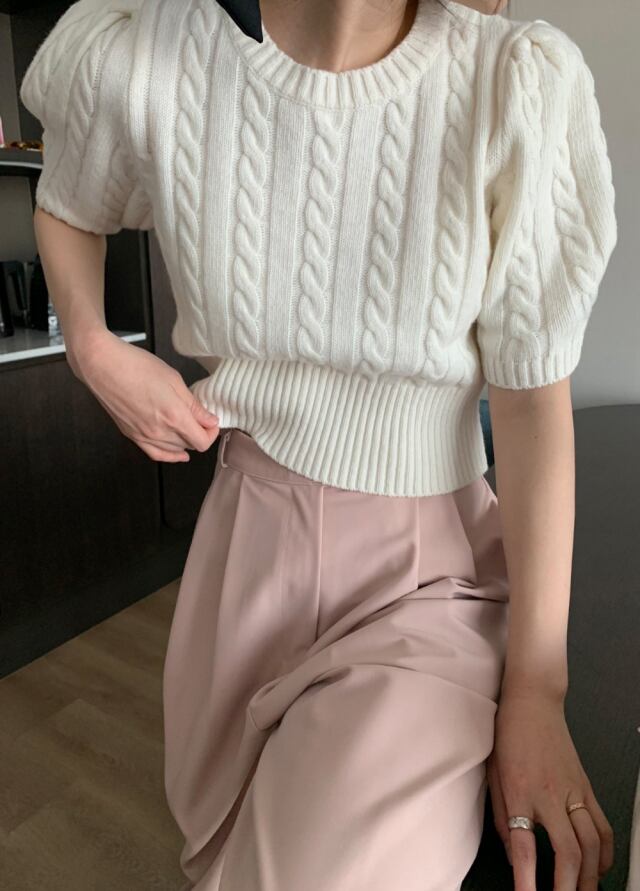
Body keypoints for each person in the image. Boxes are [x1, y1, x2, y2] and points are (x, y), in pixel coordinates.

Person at [19, 0, 618, 888]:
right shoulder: (151, 49)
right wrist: (92, 344)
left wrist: (537, 688)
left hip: (428, 579)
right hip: (240, 555)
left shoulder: (510, 82)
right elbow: (69, 200)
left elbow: (531, 404)